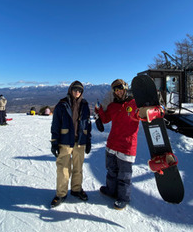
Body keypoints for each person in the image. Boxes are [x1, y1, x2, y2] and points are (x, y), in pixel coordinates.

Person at [95, 79, 141, 210]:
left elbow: (142, 115)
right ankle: (111, 190)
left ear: (125, 88)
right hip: (112, 144)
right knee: (111, 171)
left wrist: (153, 110)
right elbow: (105, 120)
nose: (119, 92)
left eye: (120, 88)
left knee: (124, 175)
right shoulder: (113, 106)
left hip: (126, 146)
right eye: (116, 90)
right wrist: (99, 111)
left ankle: (123, 198)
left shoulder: (134, 104)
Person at [50, 81, 92, 208]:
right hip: (65, 141)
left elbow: (87, 124)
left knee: (78, 168)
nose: (77, 92)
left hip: (80, 141)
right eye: (75, 90)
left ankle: (76, 189)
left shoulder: (85, 105)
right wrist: (54, 142)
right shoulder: (62, 104)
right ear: (70, 90)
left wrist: (88, 140)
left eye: (79, 90)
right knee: (63, 168)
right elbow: (55, 124)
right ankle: (61, 194)